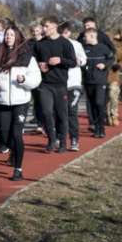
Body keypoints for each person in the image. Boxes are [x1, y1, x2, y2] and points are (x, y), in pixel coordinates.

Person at [0, 25, 42, 181]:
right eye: (6, 34)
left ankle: (18, 169)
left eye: (11, 34)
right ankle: (12, 150)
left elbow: (36, 79)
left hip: (21, 102)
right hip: (2, 101)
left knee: (17, 135)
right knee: (4, 136)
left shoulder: (27, 57)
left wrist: (24, 80)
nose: (8, 37)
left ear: (17, 37)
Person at [33, 15, 77, 153]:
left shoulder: (65, 44)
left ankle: (63, 141)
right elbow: (32, 61)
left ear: (55, 26)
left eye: (46, 26)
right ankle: (51, 139)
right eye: (42, 26)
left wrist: (60, 60)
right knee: (46, 112)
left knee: (62, 114)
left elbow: (73, 62)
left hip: (61, 85)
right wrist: (39, 64)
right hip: (45, 84)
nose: (43, 29)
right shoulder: (40, 44)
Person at [78, 17, 116, 131]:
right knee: (90, 102)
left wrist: (104, 65)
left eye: (88, 26)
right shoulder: (83, 45)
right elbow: (79, 57)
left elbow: (111, 56)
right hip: (88, 78)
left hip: (100, 78)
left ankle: (101, 125)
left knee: (99, 102)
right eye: (85, 27)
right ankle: (93, 124)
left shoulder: (103, 44)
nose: (83, 38)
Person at [59, 22, 87, 151]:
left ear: (69, 32)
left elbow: (84, 58)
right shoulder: (56, 44)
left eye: (65, 33)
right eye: (61, 33)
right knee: (59, 112)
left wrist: (79, 61)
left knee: (71, 111)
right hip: (59, 83)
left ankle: (74, 138)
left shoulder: (76, 45)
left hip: (74, 83)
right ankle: (60, 136)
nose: (63, 36)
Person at [28, 23, 46, 135]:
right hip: (34, 74)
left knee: (45, 100)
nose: (35, 33)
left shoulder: (45, 42)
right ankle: (40, 123)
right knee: (37, 100)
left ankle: (48, 123)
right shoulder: (28, 43)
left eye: (37, 31)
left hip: (45, 74)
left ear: (41, 31)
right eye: (33, 31)